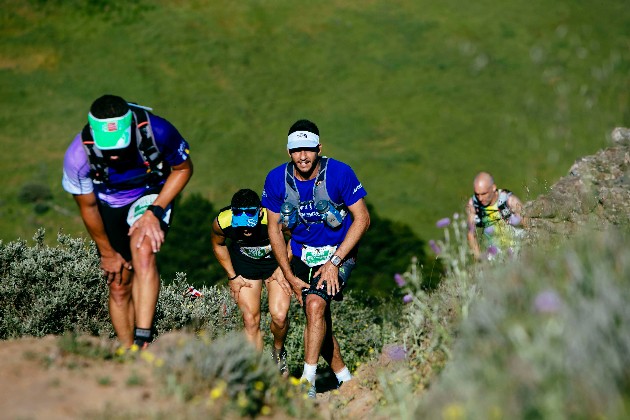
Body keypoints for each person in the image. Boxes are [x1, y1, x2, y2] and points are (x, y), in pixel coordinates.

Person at [62, 94, 193, 349]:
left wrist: (154, 211)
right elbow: (88, 207)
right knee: (119, 282)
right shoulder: (78, 156)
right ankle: (128, 353)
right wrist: (107, 252)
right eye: (107, 147)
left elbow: (183, 169)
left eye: (119, 145)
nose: (113, 155)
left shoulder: (158, 130)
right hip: (108, 204)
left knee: (143, 250)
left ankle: (143, 340)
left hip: (151, 192)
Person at [262, 119, 370, 398]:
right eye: (297, 150)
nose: (303, 156)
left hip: (339, 252)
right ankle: (346, 380)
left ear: (319, 148)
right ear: (288, 152)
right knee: (317, 319)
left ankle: (307, 383)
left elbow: (362, 219)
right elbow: (273, 228)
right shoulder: (276, 180)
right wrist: (288, 274)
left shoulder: (340, 173)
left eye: (309, 149)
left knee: (314, 306)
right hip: (301, 254)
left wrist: (335, 262)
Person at [211, 188, 292, 376]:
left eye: (250, 222)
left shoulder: (275, 216)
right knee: (250, 320)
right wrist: (232, 276)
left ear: (260, 211)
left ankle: (278, 352)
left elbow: (296, 238)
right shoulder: (223, 221)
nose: (246, 229)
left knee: (279, 317)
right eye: (241, 223)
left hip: (276, 263)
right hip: (244, 265)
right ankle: (256, 372)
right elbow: (218, 244)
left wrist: (283, 268)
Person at [466, 171, 525, 260]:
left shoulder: (509, 200)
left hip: (519, 246)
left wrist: (514, 218)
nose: (480, 198)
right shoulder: (474, 205)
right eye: (477, 194)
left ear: (493, 188)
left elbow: (527, 222)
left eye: (484, 193)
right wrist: (479, 260)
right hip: (496, 252)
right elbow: (471, 234)